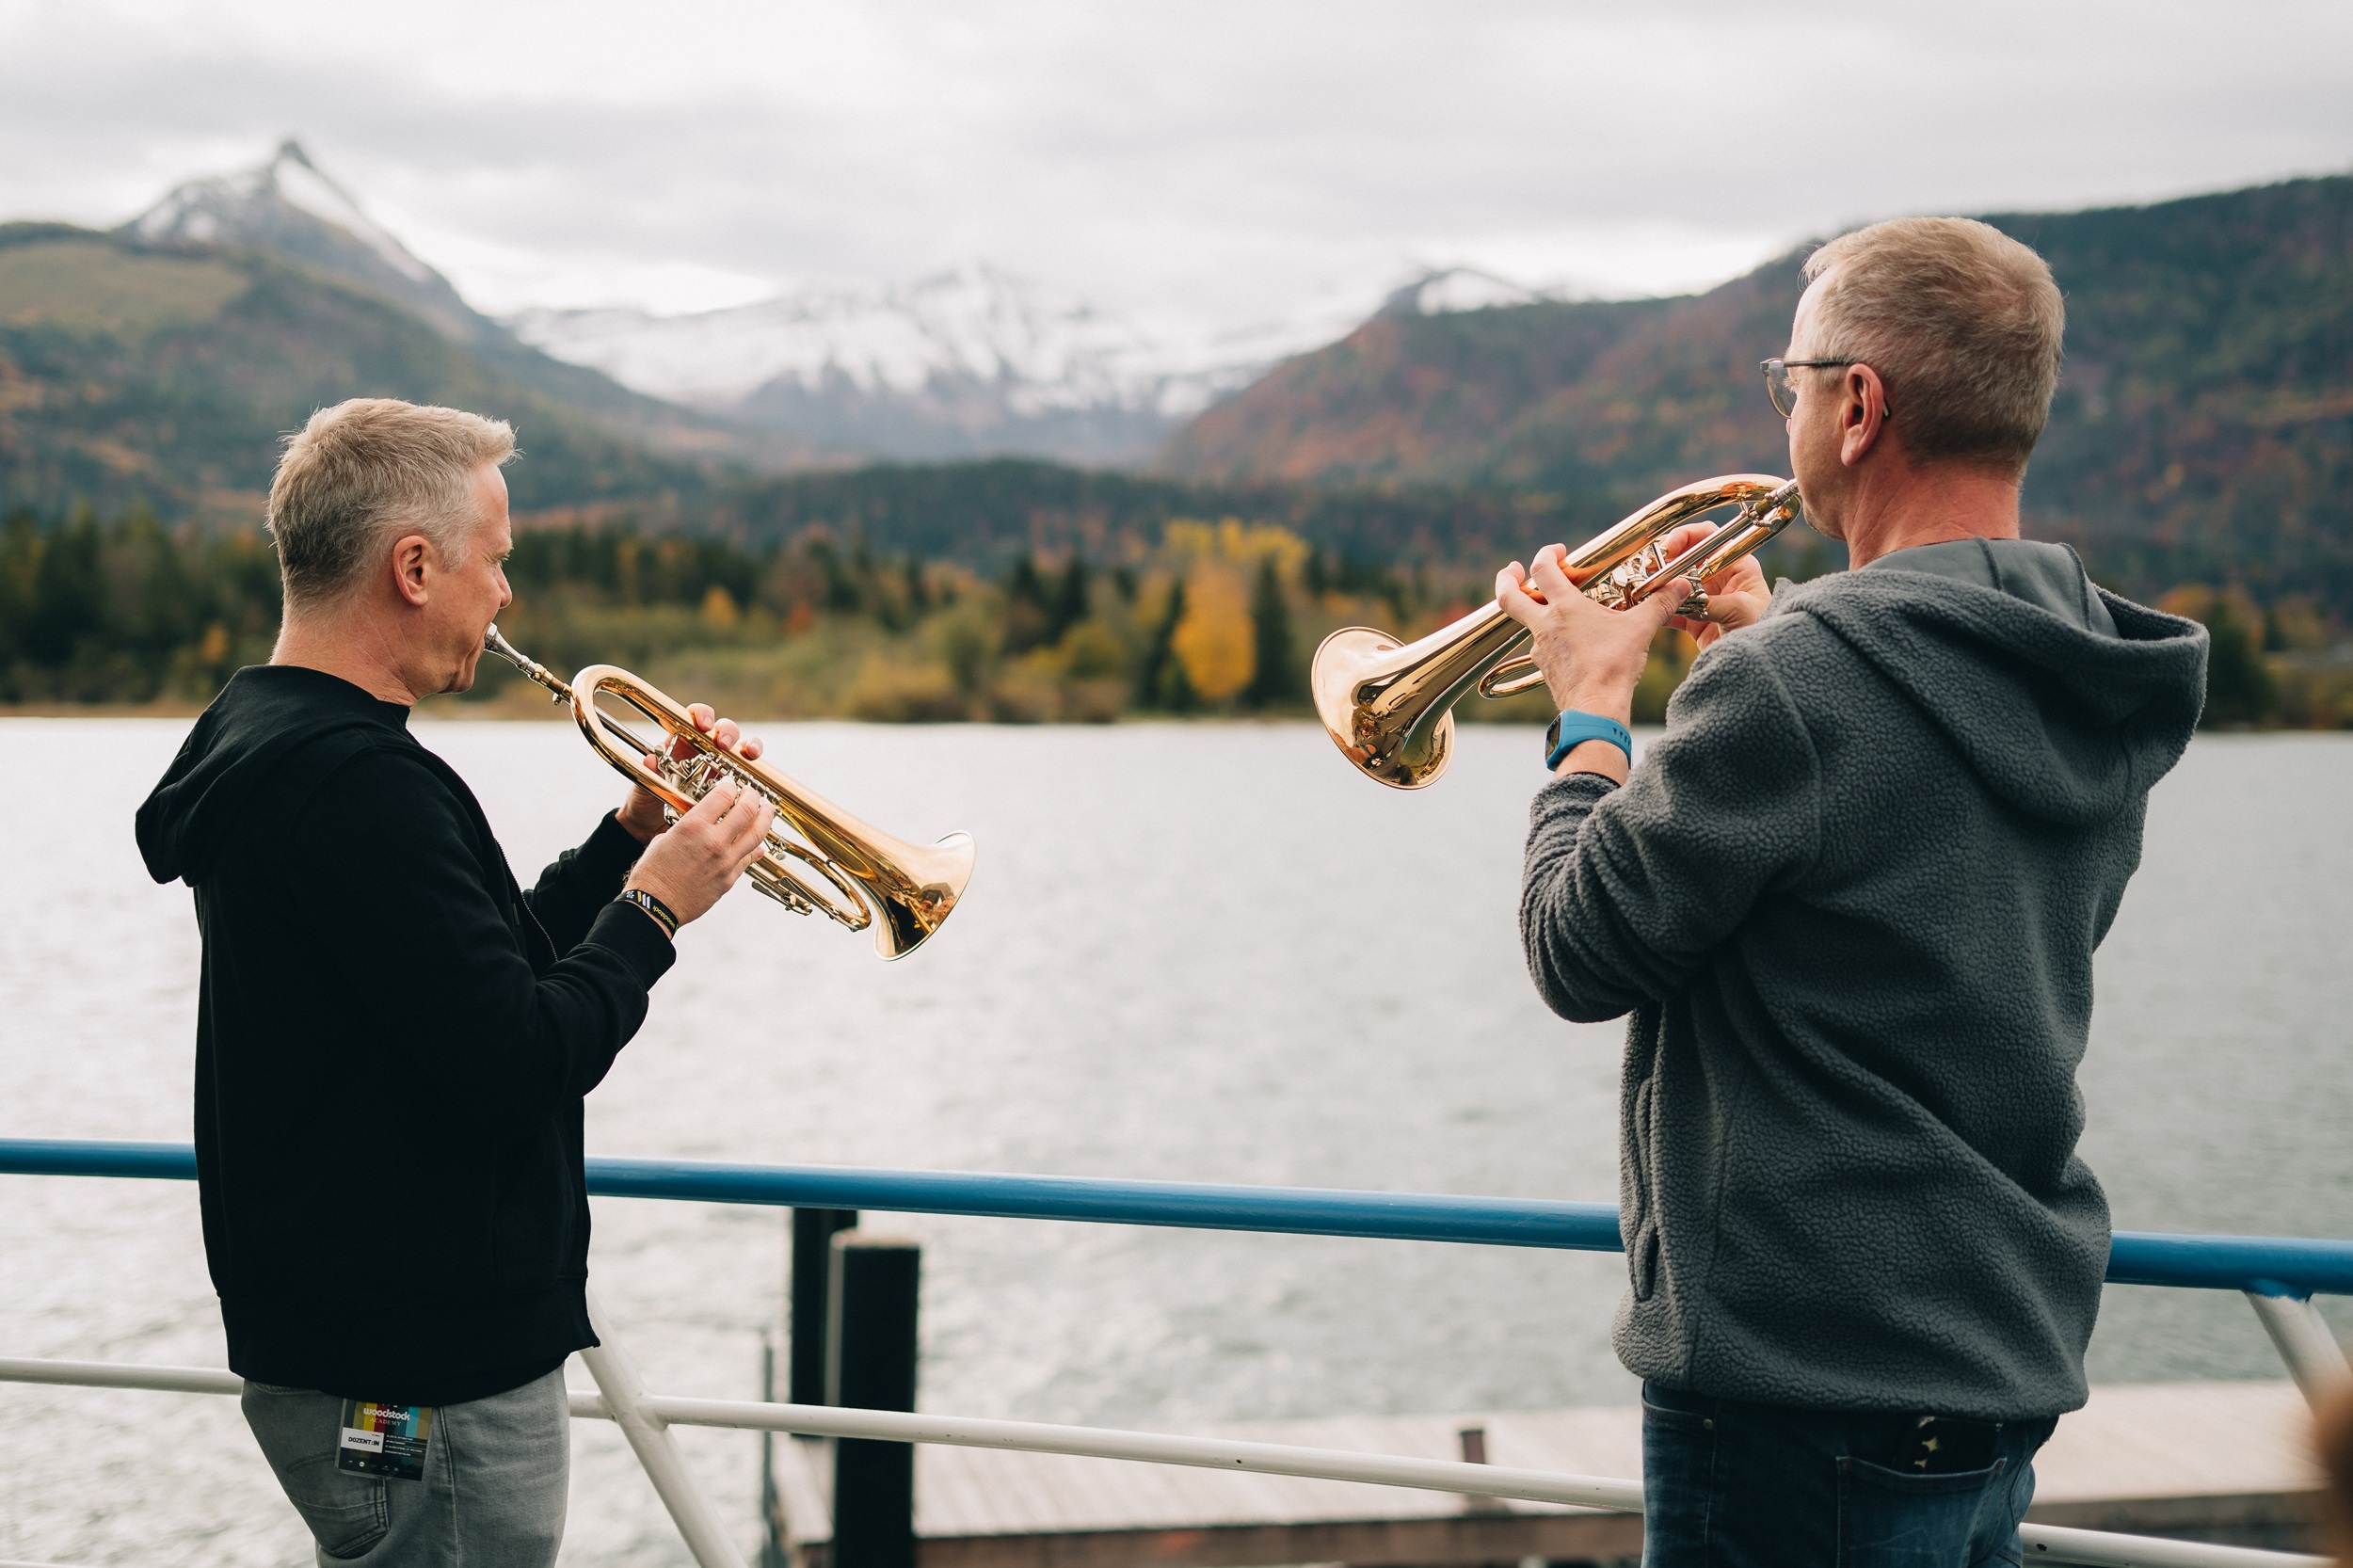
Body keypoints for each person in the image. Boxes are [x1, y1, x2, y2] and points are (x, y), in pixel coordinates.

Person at [1496, 218, 2210, 1564]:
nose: (1788, 410)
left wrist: (1591, 711)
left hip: (1793, 1384)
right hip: (1988, 1363)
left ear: (1861, 402)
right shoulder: (2081, 666)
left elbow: (1575, 948)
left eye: (1793, 380)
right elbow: (1920, 873)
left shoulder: (1806, 686)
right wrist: (1780, 643)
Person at [136, 398, 777, 1567]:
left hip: (354, 1357)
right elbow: (518, 1057)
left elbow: (468, 974)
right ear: (415, 567)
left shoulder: (269, 736)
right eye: (497, 561)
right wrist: (658, 907)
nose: (506, 597)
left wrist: (631, 835)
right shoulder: (359, 783)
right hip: (427, 1381)